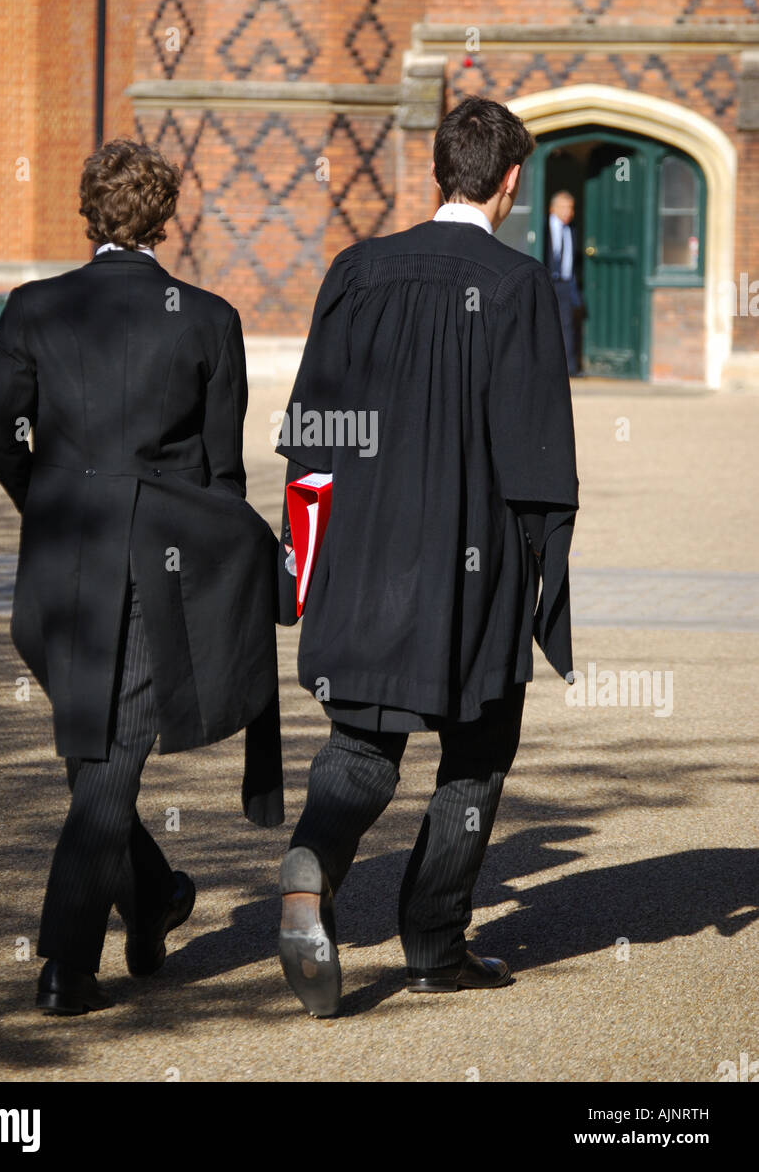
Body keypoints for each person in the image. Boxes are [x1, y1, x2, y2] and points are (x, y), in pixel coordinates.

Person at [274, 97, 579, 1018]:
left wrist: (302, 561)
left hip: (362, 550)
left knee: (362, 741)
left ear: (440, 168)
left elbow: (312, 437)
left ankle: (309, 871)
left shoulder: (355, 270)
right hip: (468, 557)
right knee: (478, 749)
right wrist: (542, 579)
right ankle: (435, 941)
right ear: (511, 181)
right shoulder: (519, 285)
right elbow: (535, 459)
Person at [0, 137, 282, 1017]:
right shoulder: (209, 317)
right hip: (155, 569)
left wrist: (51, 506)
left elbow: (1, 440)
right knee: (104, 768)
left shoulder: (31, 307)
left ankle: (151, 900)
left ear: (86, 211)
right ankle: (66, 968)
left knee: (96, 757)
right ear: (165, 217)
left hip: (54, 568)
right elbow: (225, 483)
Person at [544, 189, 583, 376]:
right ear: (553, 209)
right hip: (548, 282)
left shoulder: (572, 230)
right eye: (564, 207)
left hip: (566, 284)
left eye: (571, 208)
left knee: (567, 325)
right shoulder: (543, 228)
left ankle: (569, 368)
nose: (569, 212)